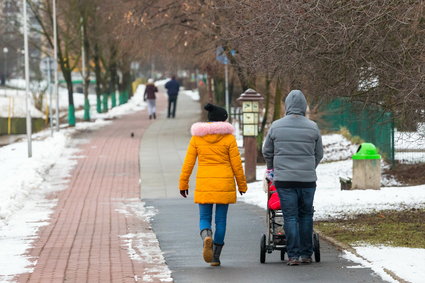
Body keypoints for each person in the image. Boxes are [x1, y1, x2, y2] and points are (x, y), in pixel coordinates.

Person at [179, 103, 247, 266]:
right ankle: (215, 256)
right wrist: (242, 185)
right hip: (224, 184)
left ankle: (206, 237)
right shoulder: (229, 138)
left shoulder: (197, 138)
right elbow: (236, 164)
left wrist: (183, 183)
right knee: (221, 220)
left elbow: (188, 162)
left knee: (204, 218)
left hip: (205, 183)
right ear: (223, 121)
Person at [262, 90, 323, 266]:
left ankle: (293, 255)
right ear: (304, 106)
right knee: (306, 215)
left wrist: (272, 169)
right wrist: (310, 167)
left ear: (287, 105)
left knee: (290, 216)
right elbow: (319, 153)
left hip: (285, 180)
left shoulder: (276, 126)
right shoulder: (312, 127)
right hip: (307, 181)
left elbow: (267, 151)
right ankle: (306, 254)